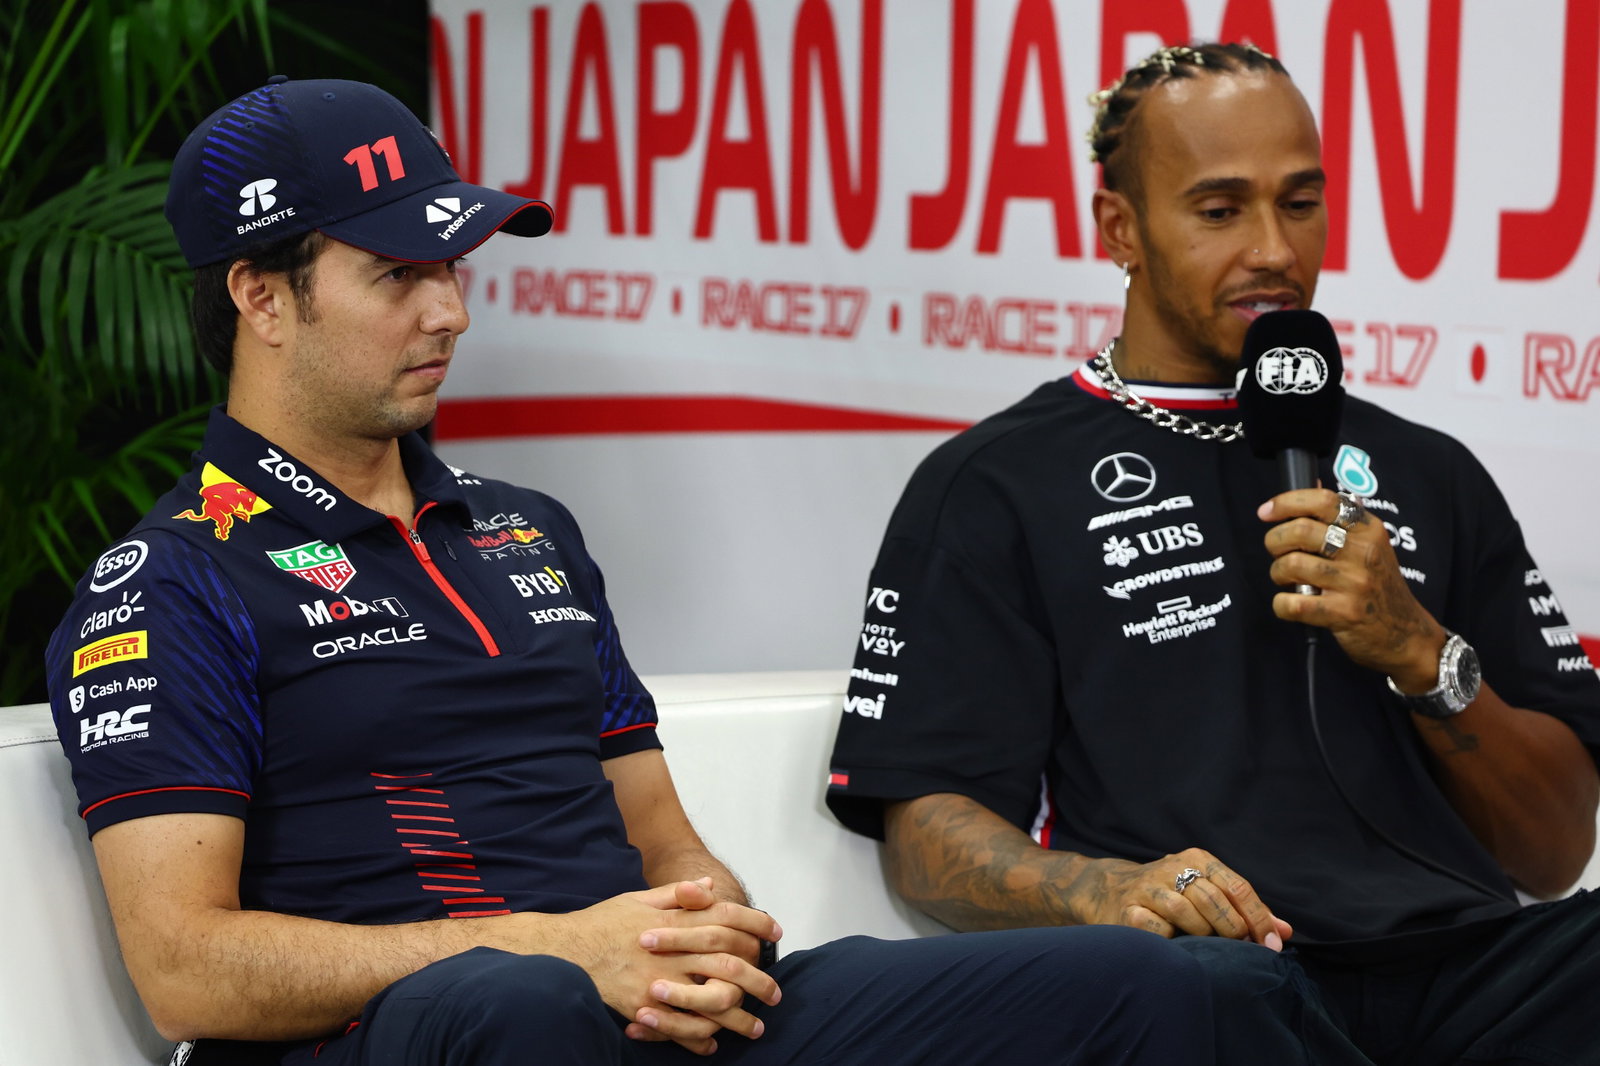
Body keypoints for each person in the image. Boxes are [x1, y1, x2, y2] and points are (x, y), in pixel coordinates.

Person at [44, 76, 1218, 1066]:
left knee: (1157, 984)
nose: (450, 312)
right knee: (524, 1006)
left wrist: (705, 928)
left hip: (628, 1008)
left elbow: (662, 836)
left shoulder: (528, 530)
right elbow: (184, 971)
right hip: (414, 1027)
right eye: (397, 274)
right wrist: (554, 945)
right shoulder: (170, 581)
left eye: (452, 267)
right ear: (262, 297)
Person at [827, 42, 1600, 1066]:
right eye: (1220, 209)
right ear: (1121, 228)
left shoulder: (1431, 468)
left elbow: (1555, 854)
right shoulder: (995, 483)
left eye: (1300, 203)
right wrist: (1106, 890)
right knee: (1204, 993)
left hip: (1467, 971)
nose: (1274, 250)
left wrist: (1421, 650)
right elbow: (926, 836)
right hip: (1224, 978)